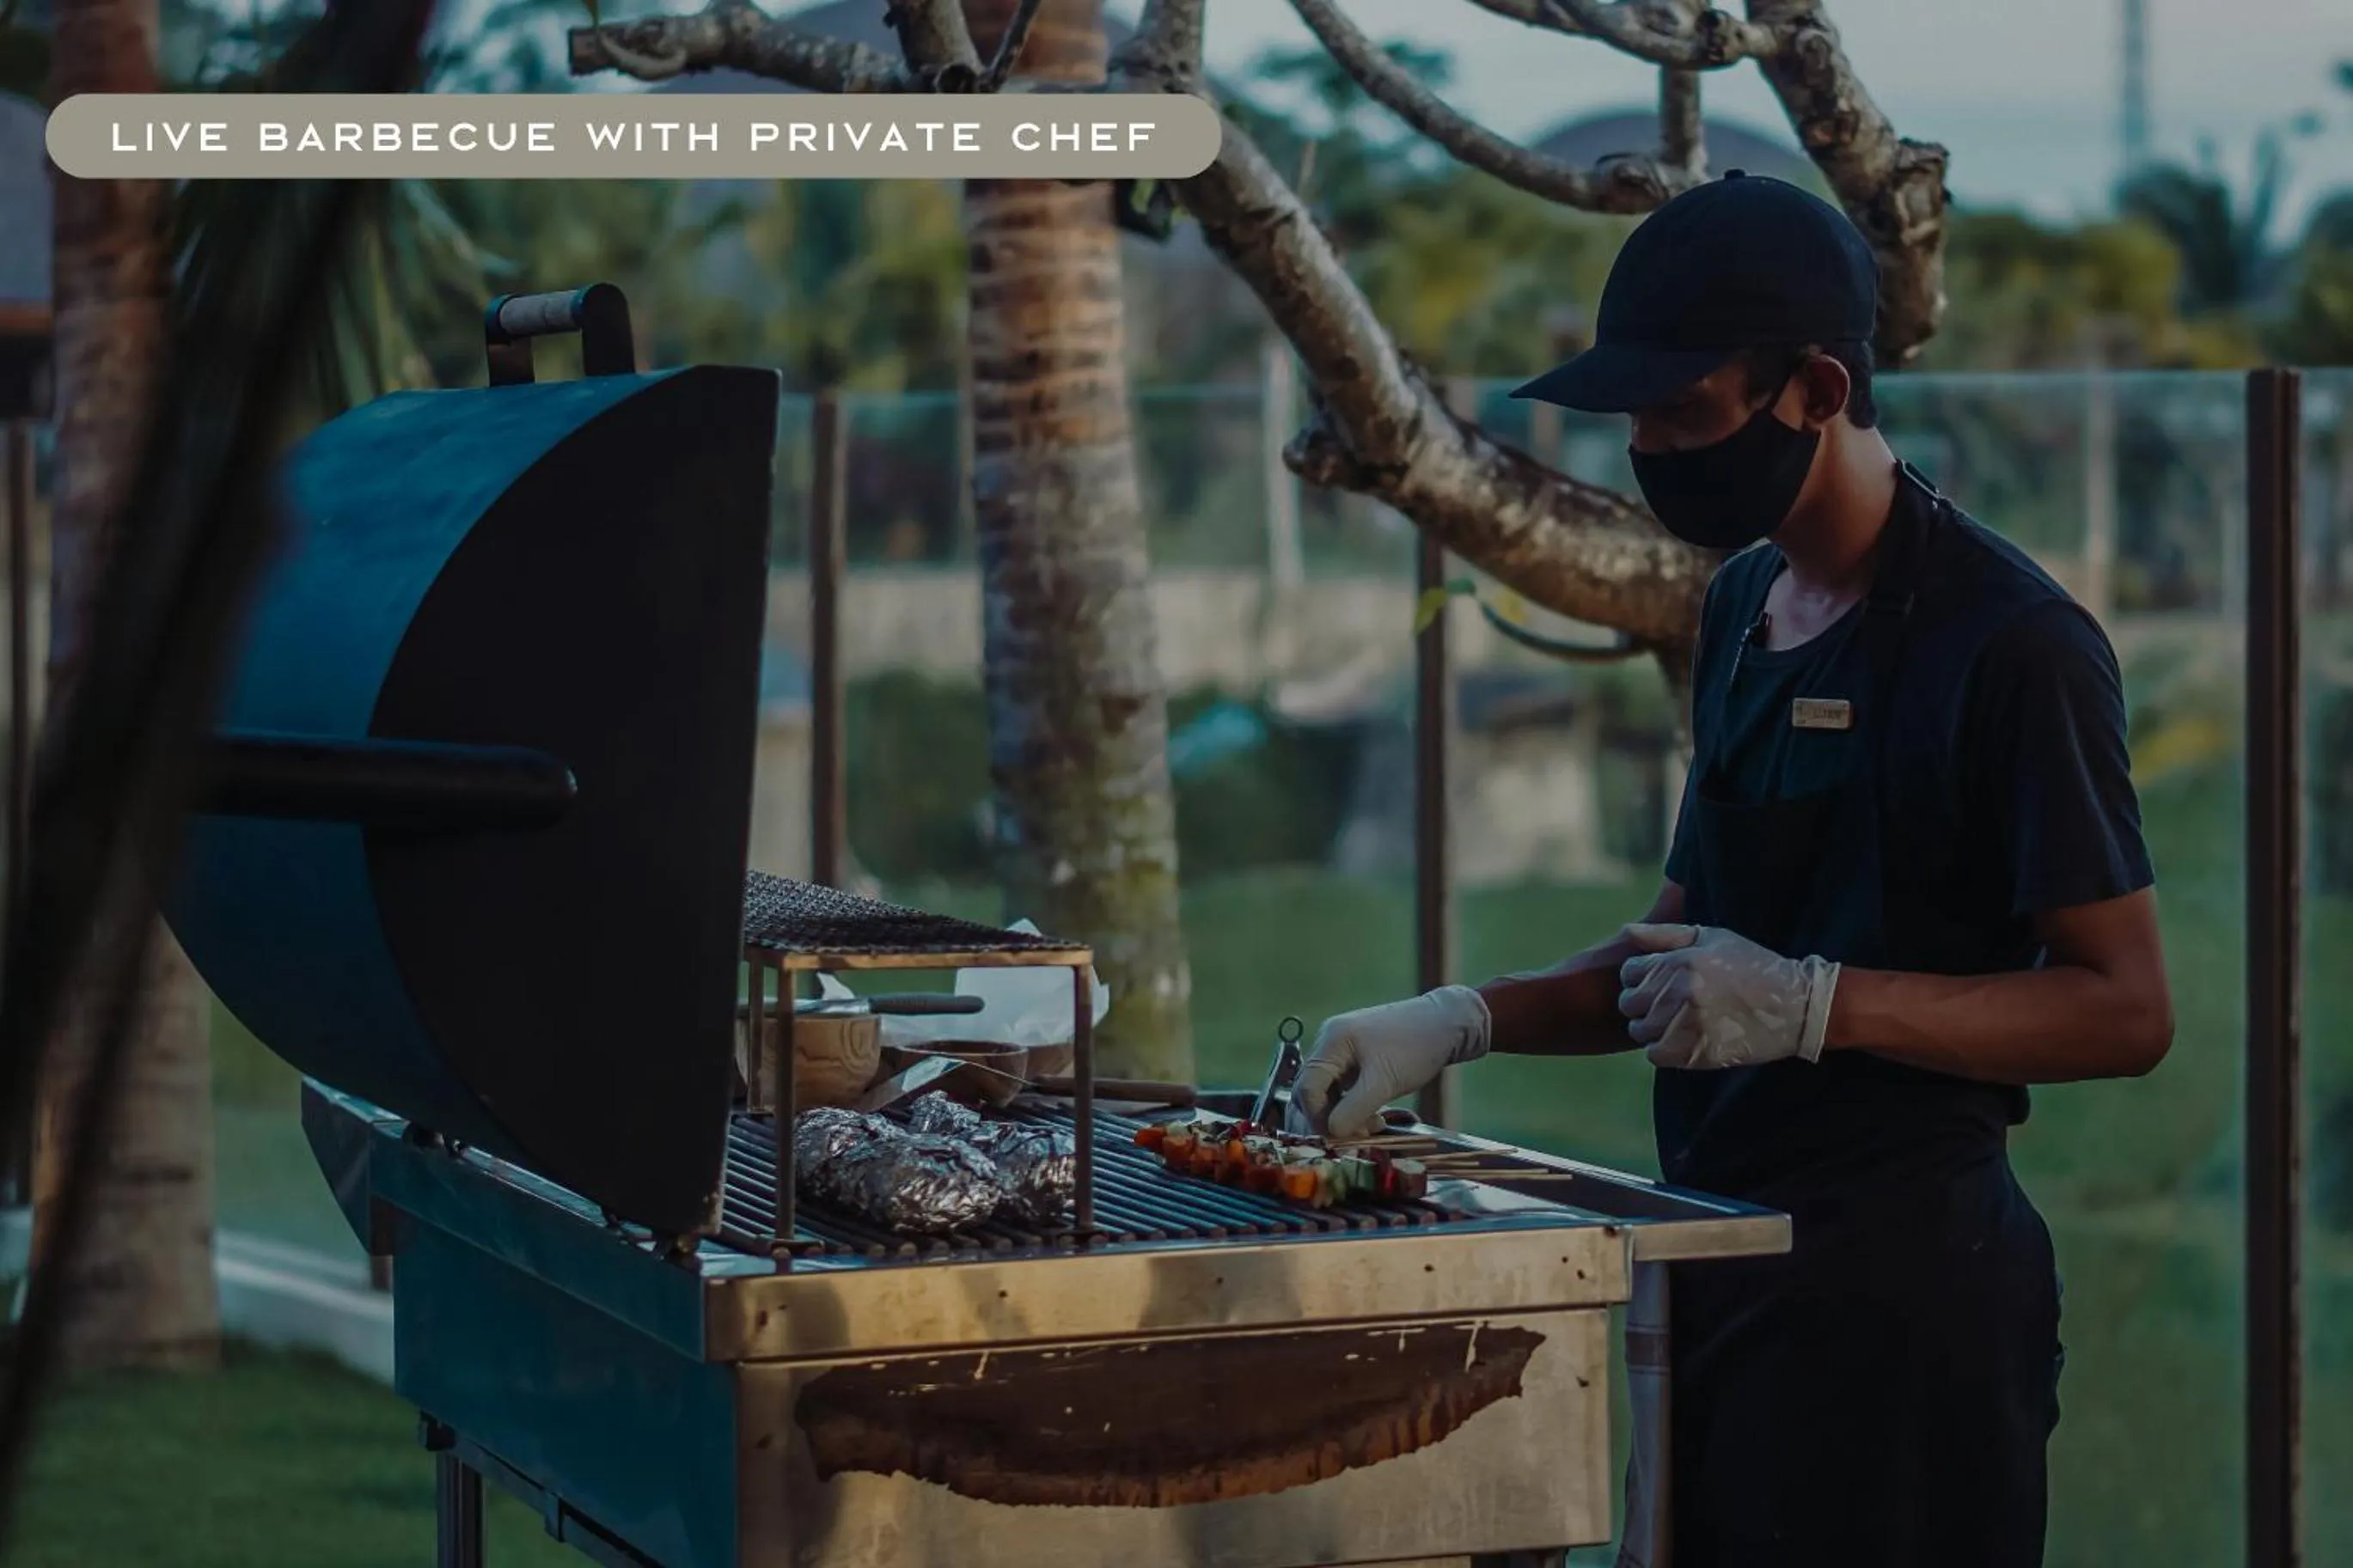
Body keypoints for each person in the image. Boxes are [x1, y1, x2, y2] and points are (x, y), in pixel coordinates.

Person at [1285, 171, 2173, 1568]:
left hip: (1906, 1305)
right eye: (1632, 416)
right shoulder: (1744, 600)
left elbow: (2124, 1010)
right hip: (1713, 1263)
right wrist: (1456, 1020)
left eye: (1682, 412)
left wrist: (1824, 1005)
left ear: (1816, 389)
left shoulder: (2013, 646)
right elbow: (1683, 950)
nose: (1648, 448)